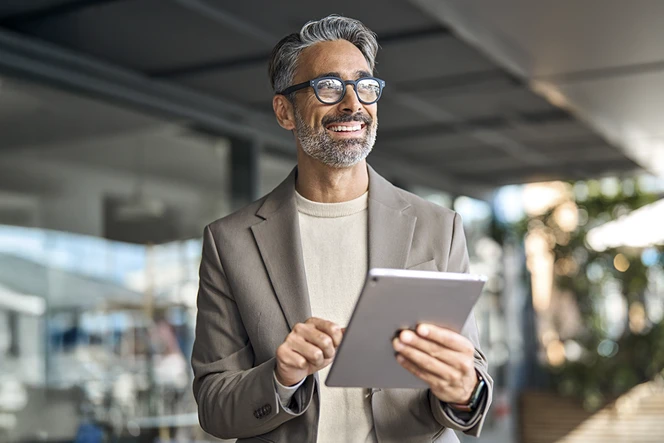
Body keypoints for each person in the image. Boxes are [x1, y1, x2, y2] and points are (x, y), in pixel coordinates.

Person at [192, 15, 492, 443]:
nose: (353, 104)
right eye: (329, 87)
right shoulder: (230, 242)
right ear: (285, 111)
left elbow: (470, 370)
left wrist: (464, 391)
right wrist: (281, 377)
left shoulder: (437, 227)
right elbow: (213, 405)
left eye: (365, 86)